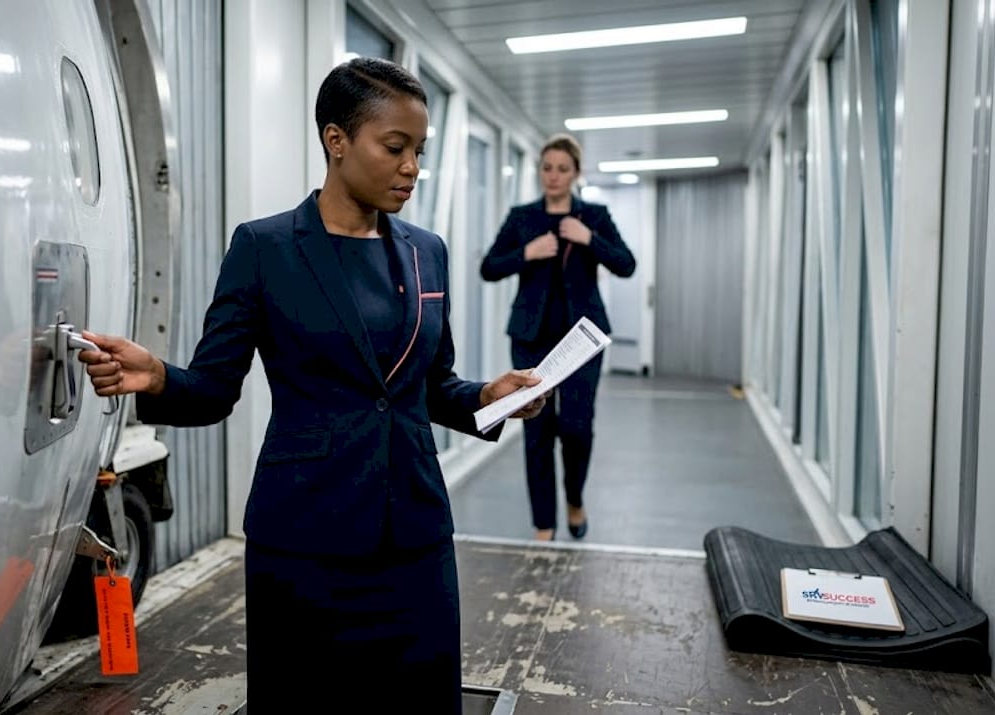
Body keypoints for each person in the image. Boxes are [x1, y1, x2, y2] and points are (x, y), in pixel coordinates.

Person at [75, 57, 545, 714]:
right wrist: (153, 377)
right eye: (395, 147)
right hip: (304, 543)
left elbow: (432, 387)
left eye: (419, 151)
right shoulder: (265, 248)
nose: (412, 167)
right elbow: (213, 389)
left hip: (413, 540)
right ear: (336, 140)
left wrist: (488, 397)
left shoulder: (426, 251)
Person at [480, 133, 635, 542]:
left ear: (576, 173)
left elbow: (627, 265)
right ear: (540, 171)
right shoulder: (522, 217)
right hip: (531, 338)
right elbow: (489, 267)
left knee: (577, 427)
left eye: (562, 169)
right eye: (547, 168)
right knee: (536, 432)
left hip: (583, 342)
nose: (553, 176)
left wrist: (590, 240)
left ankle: (575, 500)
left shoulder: (594, 216)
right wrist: (526, 253)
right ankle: (543, 525)